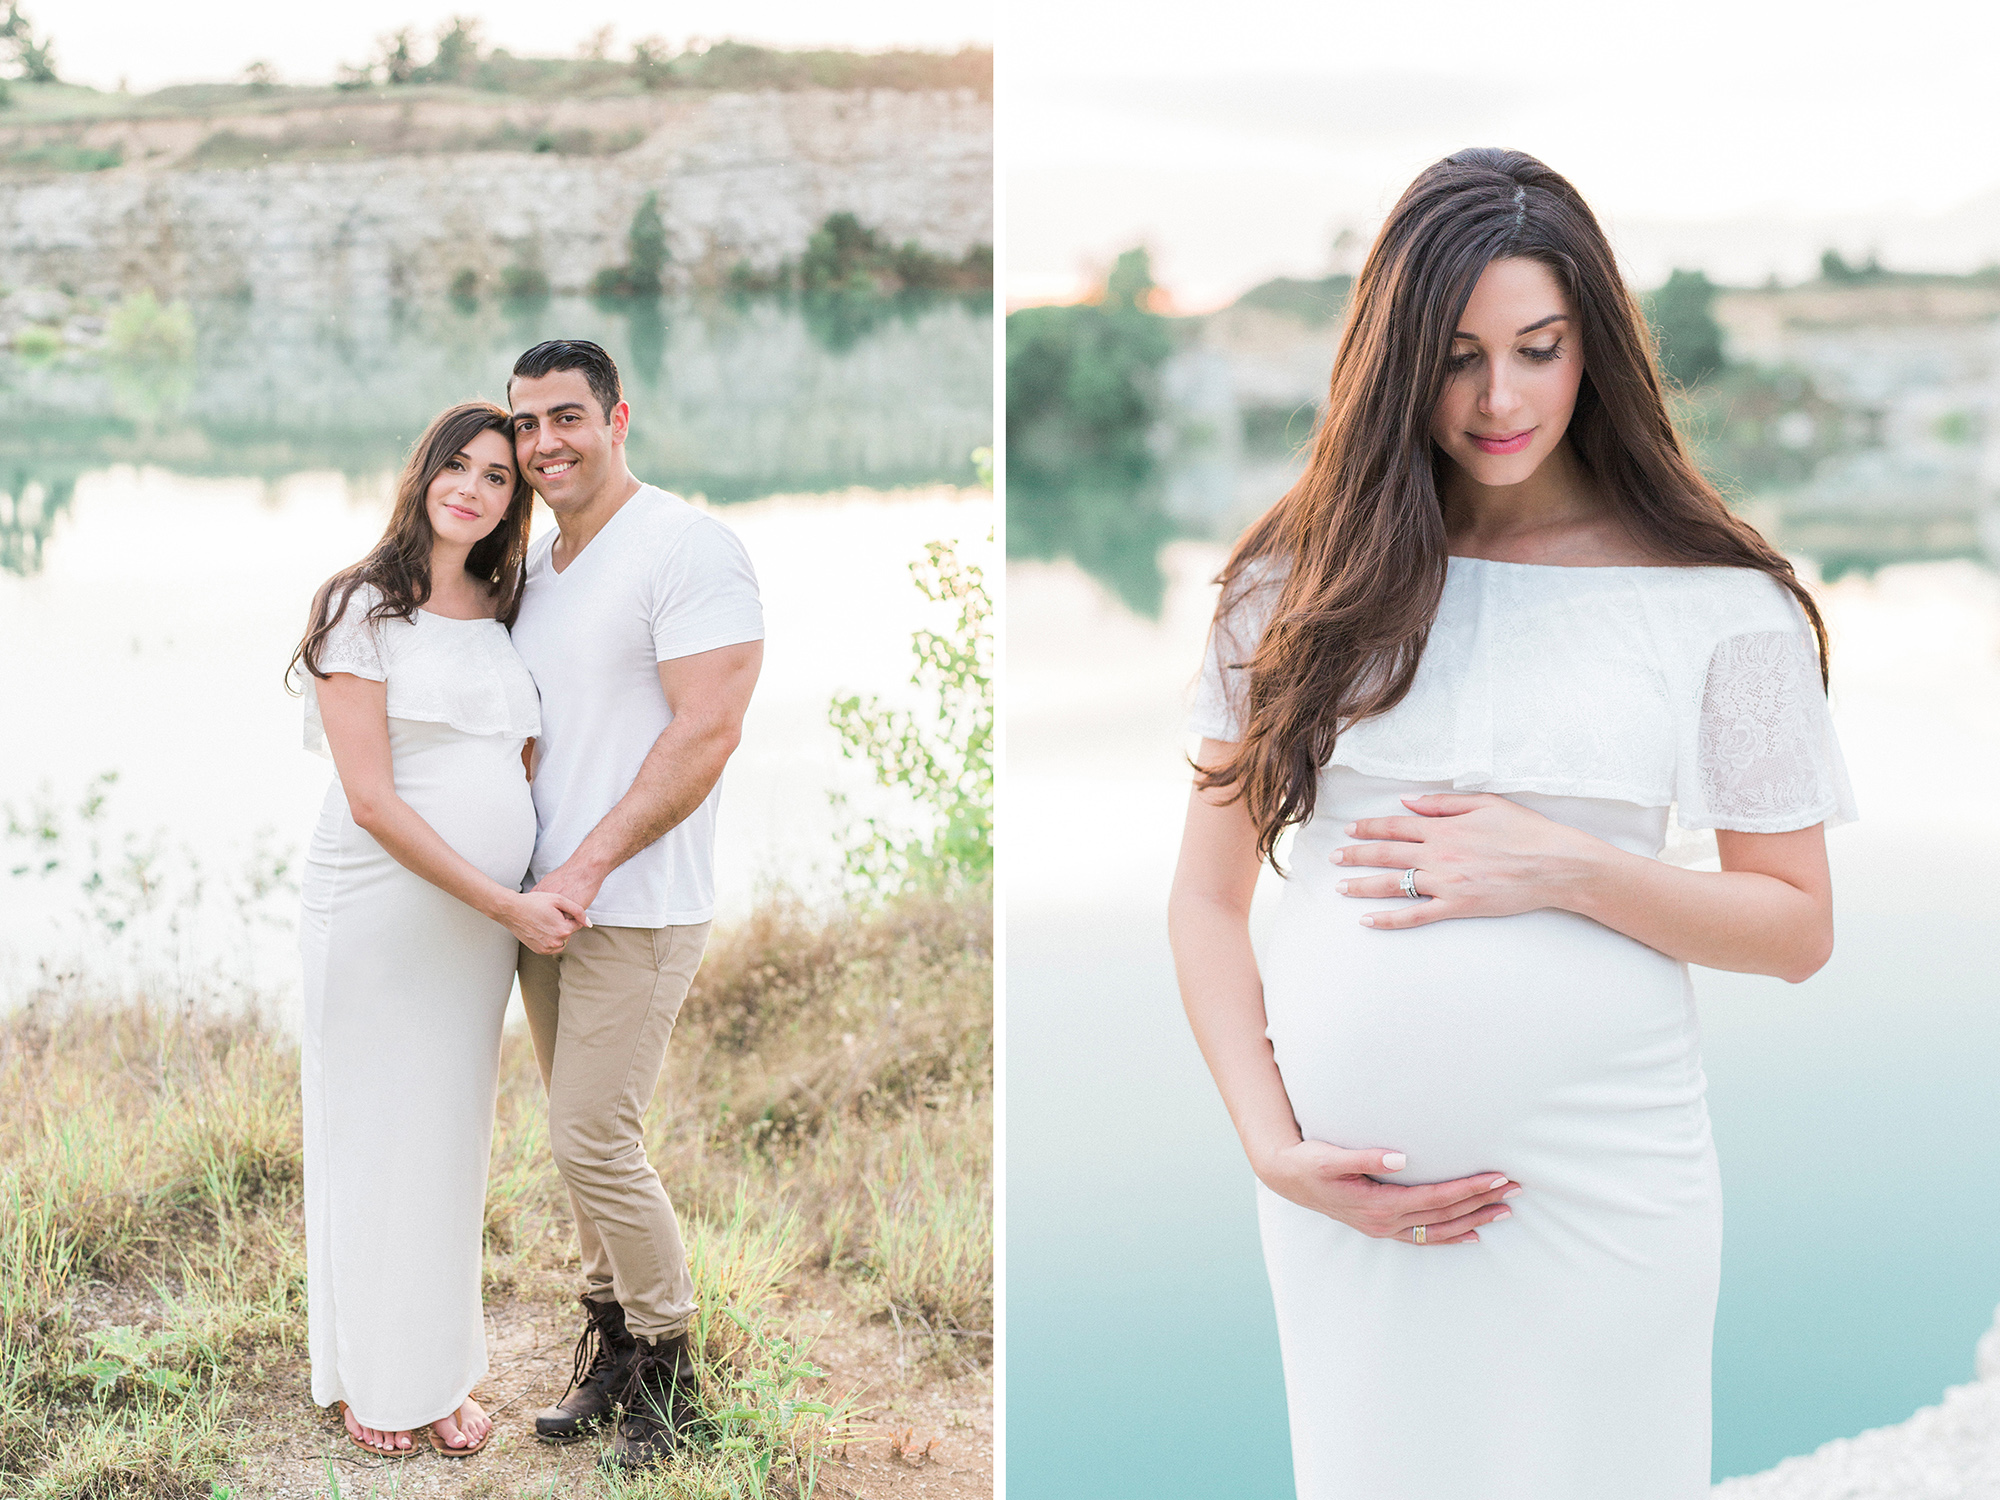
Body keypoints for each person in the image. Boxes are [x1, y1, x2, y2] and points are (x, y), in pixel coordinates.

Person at [1167, 148, 1856, 1498]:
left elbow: (1798, 929)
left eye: (1538, 349)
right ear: (1392, 358)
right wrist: (1272, 1148)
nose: (1500, 398)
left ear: (1592, 346)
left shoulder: (1715, 601)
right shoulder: (1290, 585)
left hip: (1606, 1195)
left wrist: (1568, 866)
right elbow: (1204, 901)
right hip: (1347, 1208)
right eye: (1457, 355)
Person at [290, 401, 589, 1459]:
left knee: (446, 1138)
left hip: (471, 930)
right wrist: (504, 900)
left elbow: (513, 757)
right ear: (423, 472)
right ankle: (373, 1378)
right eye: (455, 466)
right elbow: (372, 798)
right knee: (374, 1131)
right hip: (379, 908)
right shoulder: (359, 606)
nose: (471, 487)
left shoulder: (505, 605)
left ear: (517, 498)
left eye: (497, 476)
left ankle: (439, 1371)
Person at [502, 340, 765, 1469]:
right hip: (540, 909)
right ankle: (610, 1346)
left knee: (593, 1139)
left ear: (617, 419)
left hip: (635, 901)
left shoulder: (689, 547)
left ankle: (669, 1372)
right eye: (525, 424)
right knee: (577, 1148)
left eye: (566, 416)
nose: (543, 442)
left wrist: (588, 866)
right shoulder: (540, 565)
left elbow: (704, 728)